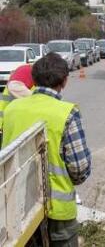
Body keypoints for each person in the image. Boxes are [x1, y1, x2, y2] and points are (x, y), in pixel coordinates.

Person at [2, 53, 92, 246]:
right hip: (57, 211)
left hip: (17, 209)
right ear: (65, 80)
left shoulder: (11, 109)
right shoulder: (67, 112)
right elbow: (80, 168)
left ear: (34, 79)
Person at [0, 64, 34, 146]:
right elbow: (14, 86)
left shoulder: (25, 70)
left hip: (9, 123)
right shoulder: (28, 70)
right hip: (9, 125)